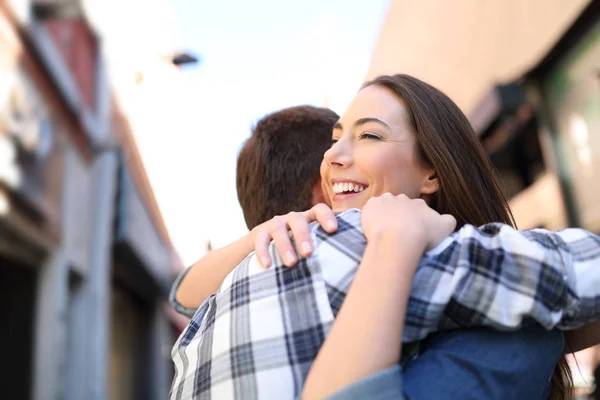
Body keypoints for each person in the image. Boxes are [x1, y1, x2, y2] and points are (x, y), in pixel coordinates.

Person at [170, 75, 600, 399]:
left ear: (433, 170)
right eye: (335, 139)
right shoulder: (369, 242)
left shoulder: (215, 307)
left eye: (368, 135)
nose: (334, 156)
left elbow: (181, 294)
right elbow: (585, 273)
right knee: (531, 332)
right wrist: (402, 238)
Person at [170, 105, 338, 317]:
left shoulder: (242, 279)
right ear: (324, 187)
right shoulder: (347, 248)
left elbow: (181, 296)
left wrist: (257, 236)